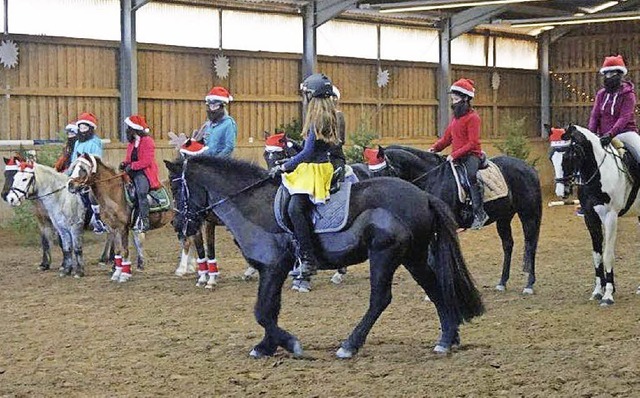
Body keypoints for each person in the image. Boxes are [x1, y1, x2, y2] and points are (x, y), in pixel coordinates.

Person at [269, 73, 345, 278]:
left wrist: (285, 166)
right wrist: (292, 146)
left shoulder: (317, 118)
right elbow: (310, 147)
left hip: (314, 170)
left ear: (312, 97)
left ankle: (309, 258)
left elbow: (309, 152)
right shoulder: (330, 116)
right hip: (319, 166)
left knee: (295, 208)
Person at [429, 78, 488, 230]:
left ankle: (479, 213)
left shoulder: (473, 118)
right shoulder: (456, 118)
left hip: (472, 155)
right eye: (453, 99)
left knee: (471, 176)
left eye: (456, 99)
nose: (453, 102)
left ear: (466, 99)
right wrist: (435, 148)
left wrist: (454, 155)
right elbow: (447, 138)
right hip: (457, 156)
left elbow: (473, 143)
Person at [588, 55, 639, 162]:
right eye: (606, 74)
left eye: (612, 73)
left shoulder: (629, 94)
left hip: (625, 133)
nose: (609, 76)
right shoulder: (601, 94)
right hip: (602, 136)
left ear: (619, 75)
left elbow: (624, 117)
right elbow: (595, 116)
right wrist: (591, 135)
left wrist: (611, 134)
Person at [119, 115, 161, 233]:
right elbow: (129, 158)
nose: (127, 130)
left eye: (129, 128)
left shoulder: (148, 141)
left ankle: (144, 220)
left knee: (141, 192)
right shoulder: (132, 143)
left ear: (135, 129)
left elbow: (146, 161)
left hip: (144, 172)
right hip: (132, 171)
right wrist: (124, 164)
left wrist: (131, 166)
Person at [71, 112, 107, 234]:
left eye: (85, 127)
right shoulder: (77, 142)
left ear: (90, 128)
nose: (82, 130)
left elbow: (95, 158)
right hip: (78, 172)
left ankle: (98, 220)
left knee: (91, 195)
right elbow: (73, 159)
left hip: (90, 172)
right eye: (80, 128)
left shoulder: (95, 142)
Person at [202, 86, 237, 158]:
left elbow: (229, 147)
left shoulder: (228, 123)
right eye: (210, 106)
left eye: (215, 106)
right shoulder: (208, 124)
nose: (212, 109)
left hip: (221, 163)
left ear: (222, 106)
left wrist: (216, 160)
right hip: (206, 161)